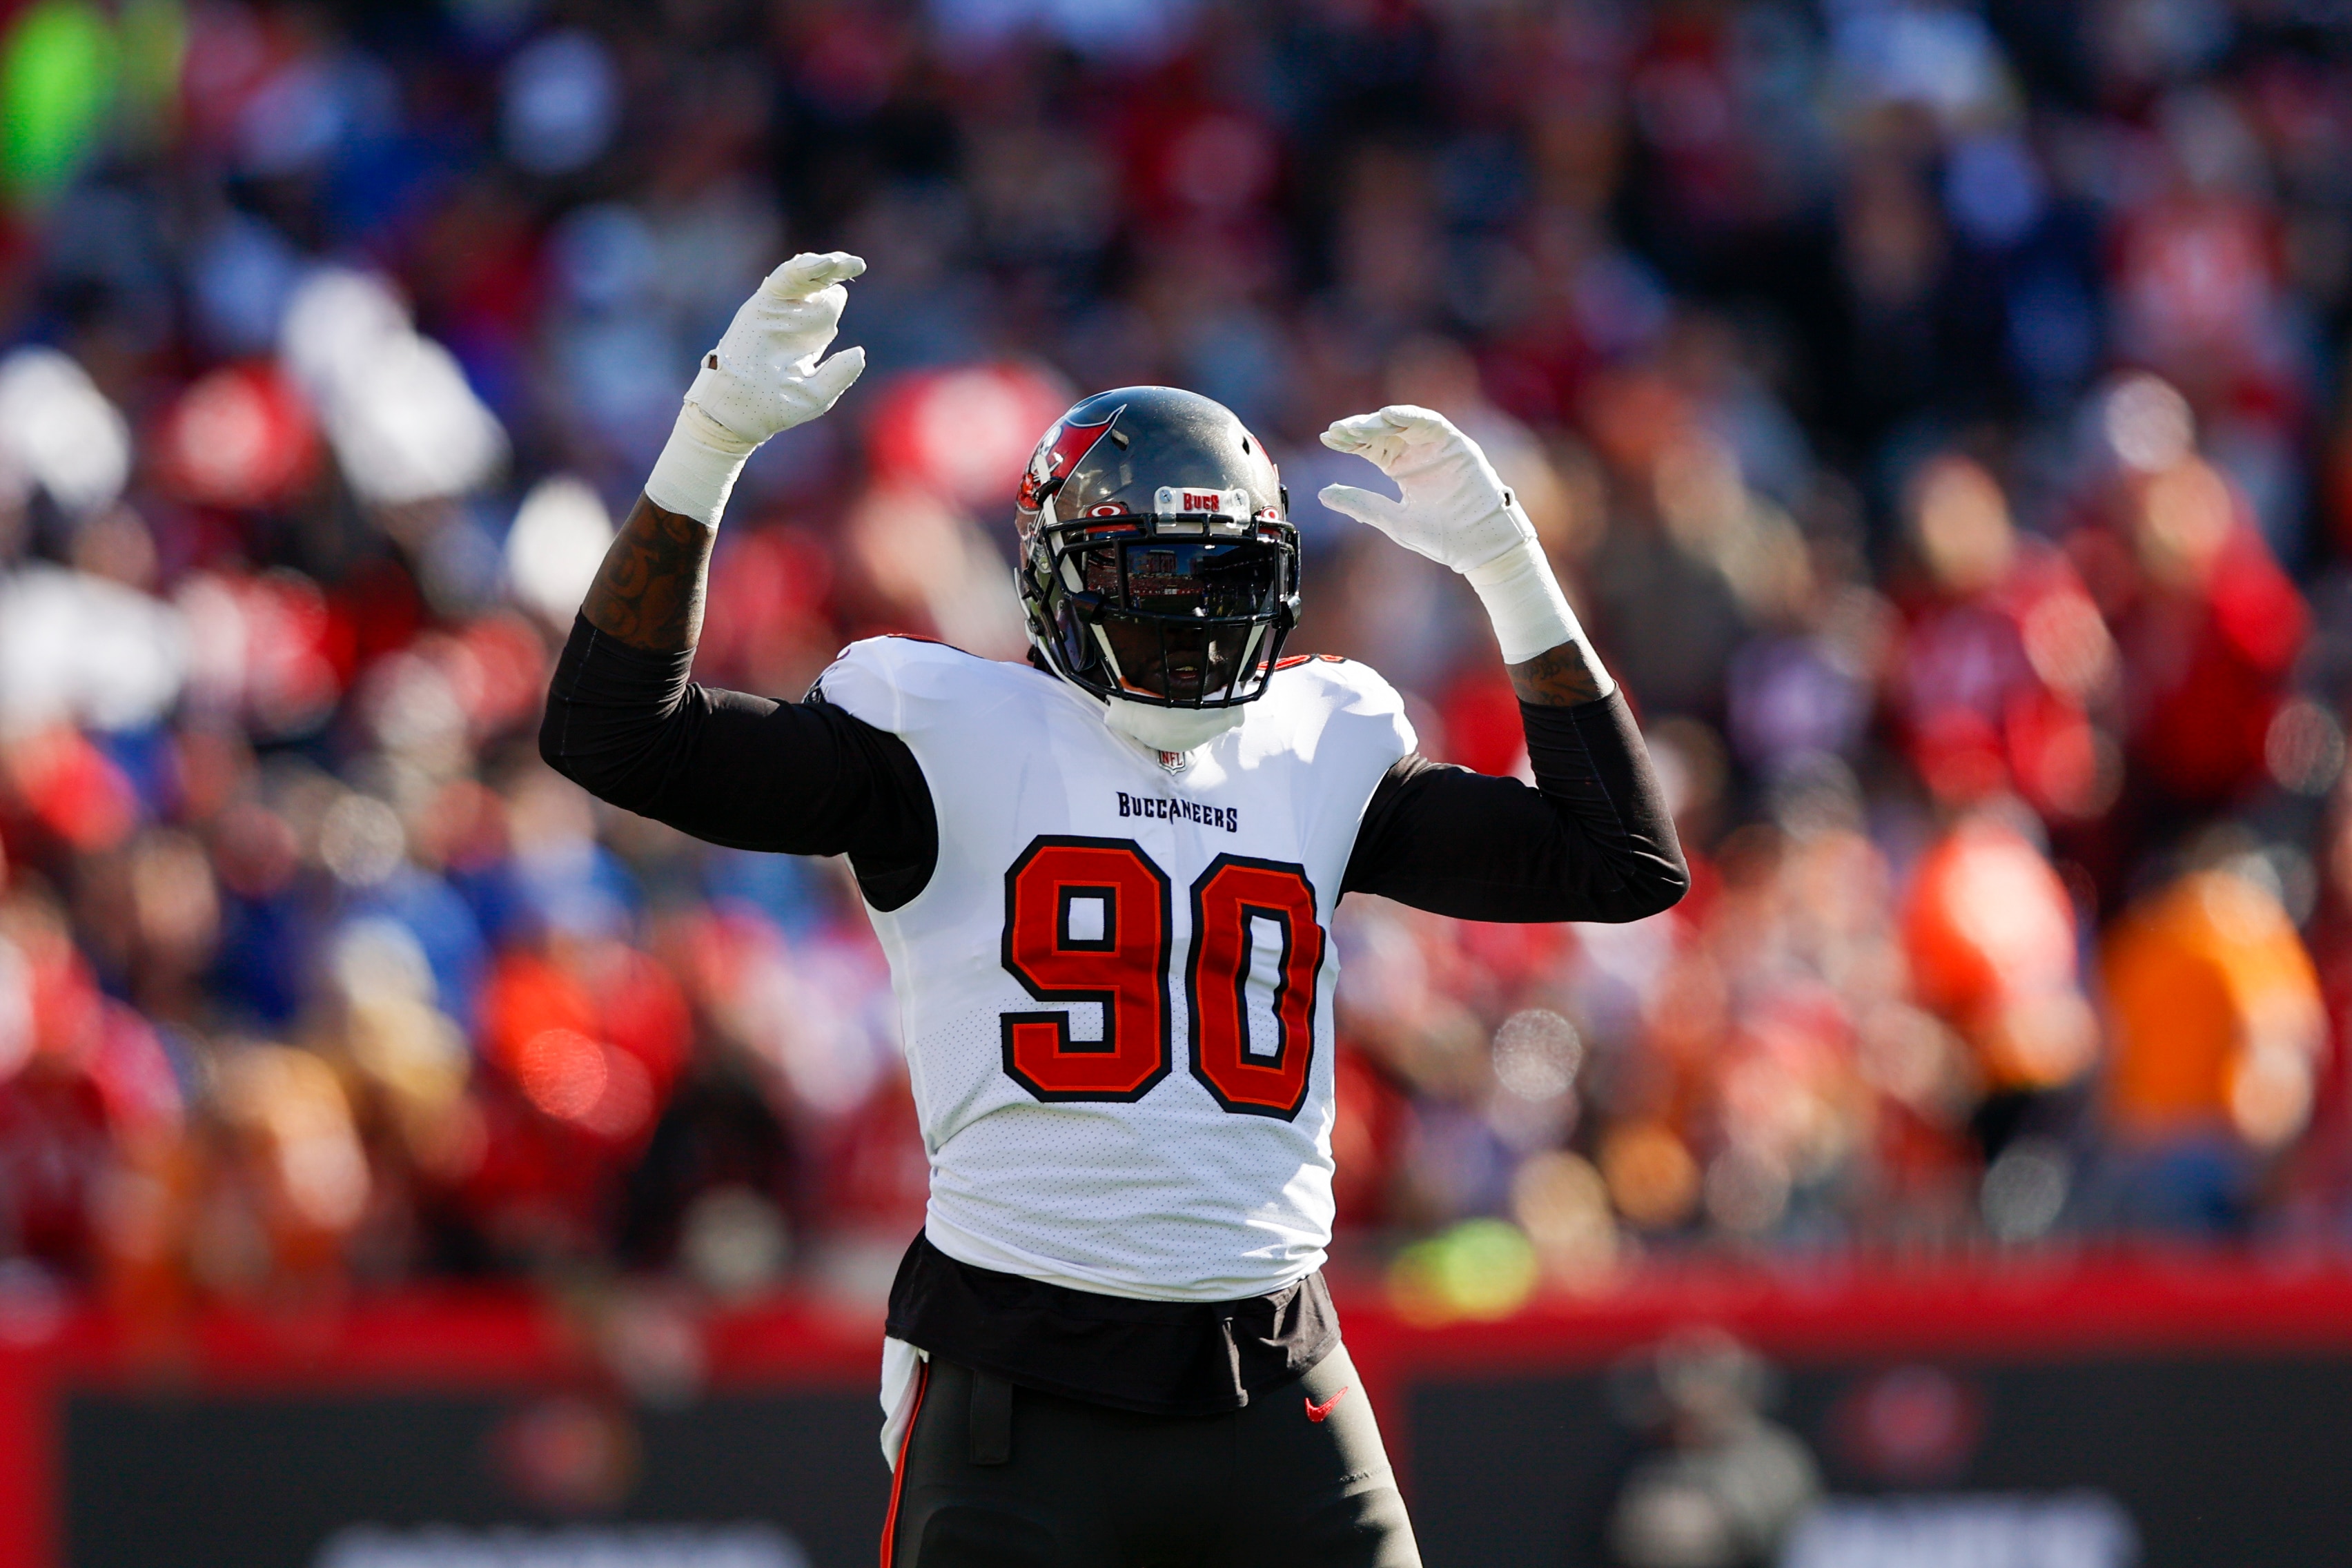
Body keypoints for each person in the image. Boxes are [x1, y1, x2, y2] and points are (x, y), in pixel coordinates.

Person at [540, 251, 1689, 1567]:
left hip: (1275, 1368)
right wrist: (707, 445)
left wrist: (1507, 563)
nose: (1193, 620)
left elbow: (1624, 862)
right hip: (1020, 1383)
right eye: (1152, 578)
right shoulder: (943, 733)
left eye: (1223, 578)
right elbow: (612, 735)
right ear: (1054, 579)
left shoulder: (1317, 741)